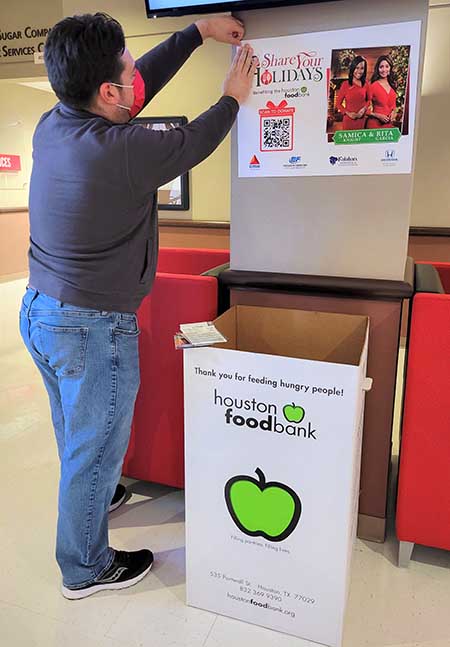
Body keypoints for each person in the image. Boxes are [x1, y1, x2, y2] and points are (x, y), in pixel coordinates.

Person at [19, 12, 256, 600]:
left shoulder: (54, 124)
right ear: (106, 91)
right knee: (93, 441)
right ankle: (85, 567)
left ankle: (100, 491)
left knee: (77, 430)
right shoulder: (121, 151)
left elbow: (140, 79)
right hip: (90, 325)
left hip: (41, 312)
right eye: (125, 70)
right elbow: (195, 139)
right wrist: (232, 98)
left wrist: (196, 33)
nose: (135, 77)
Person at [335, 55, 370, 131]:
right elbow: (338, 103)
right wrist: (348, 113)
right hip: (348, 121)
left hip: (362, 120)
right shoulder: (345, 84)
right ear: (353, 68)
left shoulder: (366, 84)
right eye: (357, 68)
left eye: (362, 68)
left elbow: (369, 100)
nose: (359, 71)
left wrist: (364, 109)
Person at [366, 55, 397, 129]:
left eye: (387, 66)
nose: (384, 70)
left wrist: (393, 113)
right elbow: (365, 110)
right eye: (381, 67)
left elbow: (394, 106)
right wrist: (378, 116)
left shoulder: (392, 86)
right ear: (378, 69)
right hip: (374, 125)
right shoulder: (373, 86)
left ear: (390, 68)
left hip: (388, 126)